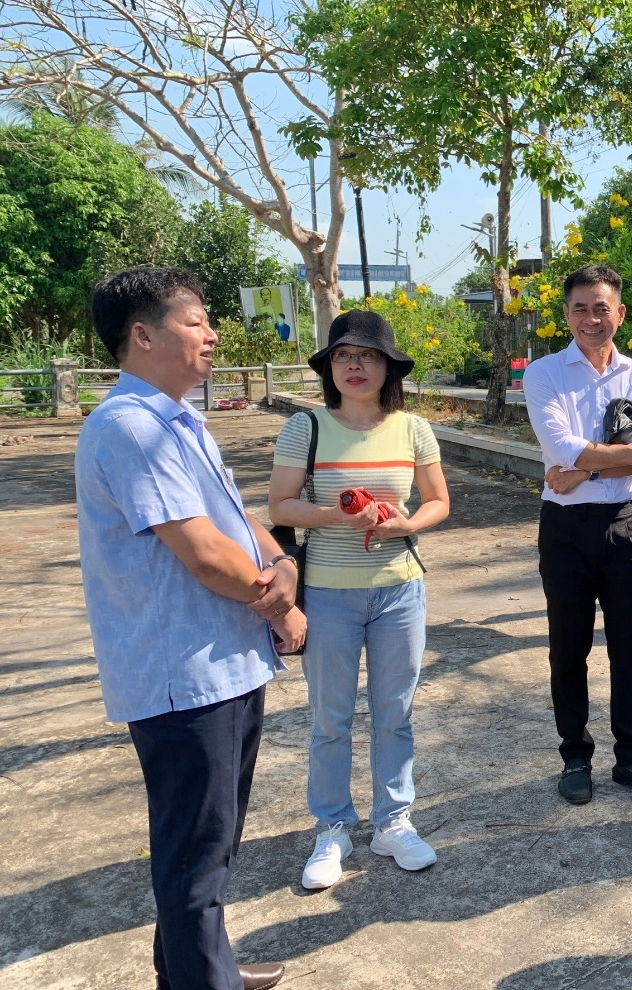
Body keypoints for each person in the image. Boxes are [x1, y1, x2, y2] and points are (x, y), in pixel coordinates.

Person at [76, 267, 303, 990]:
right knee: (194, 854)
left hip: (223, 661)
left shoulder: (179, 419)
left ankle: (201, 970)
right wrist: (280, 603)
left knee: (210, 843)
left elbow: (234, 521)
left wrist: (282, 563)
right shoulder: (131, 427)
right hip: (184, 676)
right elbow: (205, 555)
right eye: (196, 321)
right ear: (143, 335)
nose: (212, 334)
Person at [268, 310, 450, 890]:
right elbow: (279, 506)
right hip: (328, 594)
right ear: (329, 366)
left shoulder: (414, 428)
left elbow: (438, 501)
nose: (355, 365)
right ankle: (332, 827)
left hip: (400, 591)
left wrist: (406, 524)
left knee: (396, 714)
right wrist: (337, 515)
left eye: (368, 356)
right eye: (344, 355)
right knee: (331, 718)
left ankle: (393, 821)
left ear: (387, 367)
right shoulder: (306, 427)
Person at [524, 264, 632, 806]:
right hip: (565, 530)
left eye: (602, 308)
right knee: (569, 648)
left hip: (627, 523)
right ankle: (575, 756)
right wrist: (626, 456)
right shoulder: (543, 374)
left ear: (621, 314)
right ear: (566, 315)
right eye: (581, 309)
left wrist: (583, 468)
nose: (592, 319)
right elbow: (560, 447)